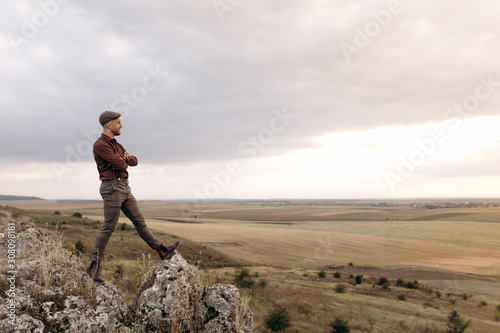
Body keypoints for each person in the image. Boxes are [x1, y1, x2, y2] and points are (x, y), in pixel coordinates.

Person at [86, 111, 179, 283]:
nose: (121, 125)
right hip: (112, 187)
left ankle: (161, 249)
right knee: (108, 227)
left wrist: (124, 158)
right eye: (118, 122)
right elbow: (121, 163)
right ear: (109, 125)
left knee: (139, 222)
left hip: (124, 187)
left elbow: (134, 161)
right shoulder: (100, 145)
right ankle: (94, 267)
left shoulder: (116, 145)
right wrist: (124, 158)